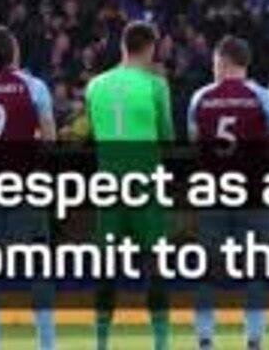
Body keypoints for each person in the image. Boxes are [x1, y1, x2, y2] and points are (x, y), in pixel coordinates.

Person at [0, 26, 58, 350]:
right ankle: (47, 343)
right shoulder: (34, 86)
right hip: (25, 183)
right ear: (15, 53)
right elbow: (49, 139)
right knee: (38, 264)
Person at [188, 35, 269, 350]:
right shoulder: (263, 97)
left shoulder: (201, 97)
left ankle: (205, 337)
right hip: (253, 193)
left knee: (207, 269)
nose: (213, 68)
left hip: (213, 193)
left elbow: (195, 145)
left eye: (215, 63)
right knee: (255, 269)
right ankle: (254, 338)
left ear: (224, 62)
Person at [85, 21, 173, 350]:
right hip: (144, 182)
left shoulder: (95, 86)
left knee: (106, 266)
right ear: (150, 49)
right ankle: (161, 343)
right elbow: (167, 136)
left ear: (123, 46)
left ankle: (101, 342)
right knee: (155, 263)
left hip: (108, 184)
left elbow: (94, 133)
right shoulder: (156, 85)